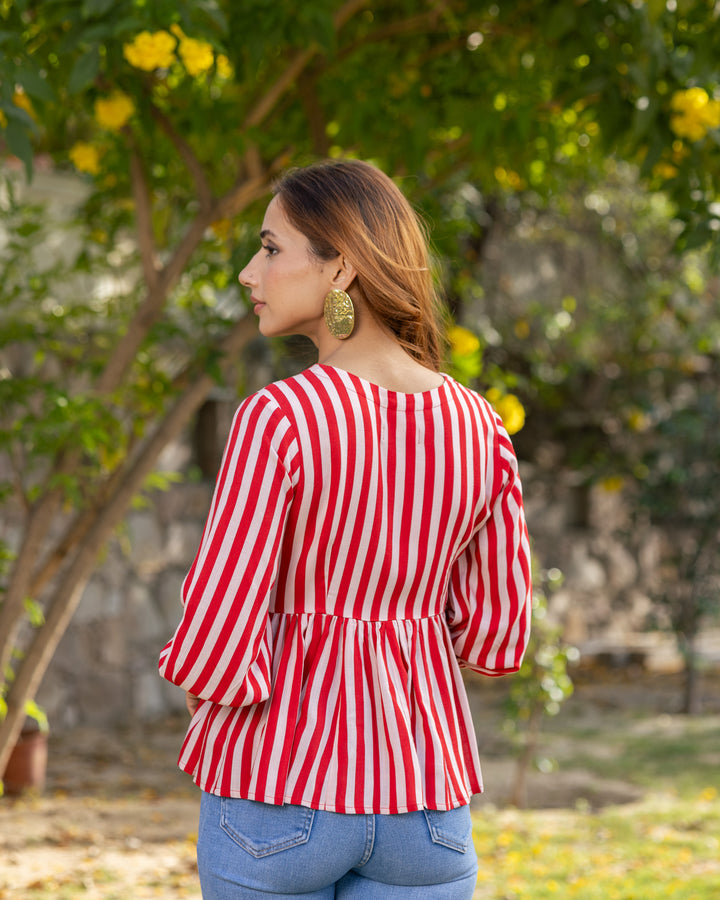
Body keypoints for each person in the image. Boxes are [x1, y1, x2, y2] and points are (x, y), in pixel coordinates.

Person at [159, 159, 532, 898]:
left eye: (269, 248)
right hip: (426, 801)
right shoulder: (479, 426)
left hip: (277, 790)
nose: (247, 272)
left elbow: (218, 639)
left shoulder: (282, 418)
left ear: (341, 269)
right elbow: (496, 633)